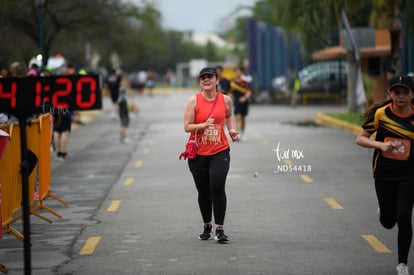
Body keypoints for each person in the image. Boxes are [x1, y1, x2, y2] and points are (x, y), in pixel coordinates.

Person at [356, 75, 414, 275]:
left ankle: (402, 264)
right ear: (390, 94)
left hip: (409, 174)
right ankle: (385, 210)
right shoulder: (381, 115)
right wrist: (379, 144)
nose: (401, 97)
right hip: (384, 173)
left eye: (405, 93)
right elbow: (360, 139)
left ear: (411, 95)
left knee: (405, 216)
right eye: (397, 93)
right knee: (389, 221)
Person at [183, 67, 239, 242]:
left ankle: (220, 229)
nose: (206, 80)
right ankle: (207, 224)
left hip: (220, 150)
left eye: (210, 77)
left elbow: (229, 116)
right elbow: (187, 126)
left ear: (216, 80)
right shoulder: (194, 101)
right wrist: (202, 126)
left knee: (217, 186)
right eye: (203, 78)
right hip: (198, 154)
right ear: (200, 82)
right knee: (204, 191)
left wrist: (232, 129)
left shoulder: (226, 100)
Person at [229, 66, 252, 141]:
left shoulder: (244, 82)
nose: (237, 72)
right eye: (236, 71)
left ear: (241, 72)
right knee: (237, 117)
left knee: (243, 118)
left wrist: (245, 98)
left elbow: (249, 92)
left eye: (239, 71)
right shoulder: (232, 83)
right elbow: (231, 93)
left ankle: (243, 133)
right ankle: (237, 135)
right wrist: (228, 99)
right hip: (237, 102)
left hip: (244, 102)